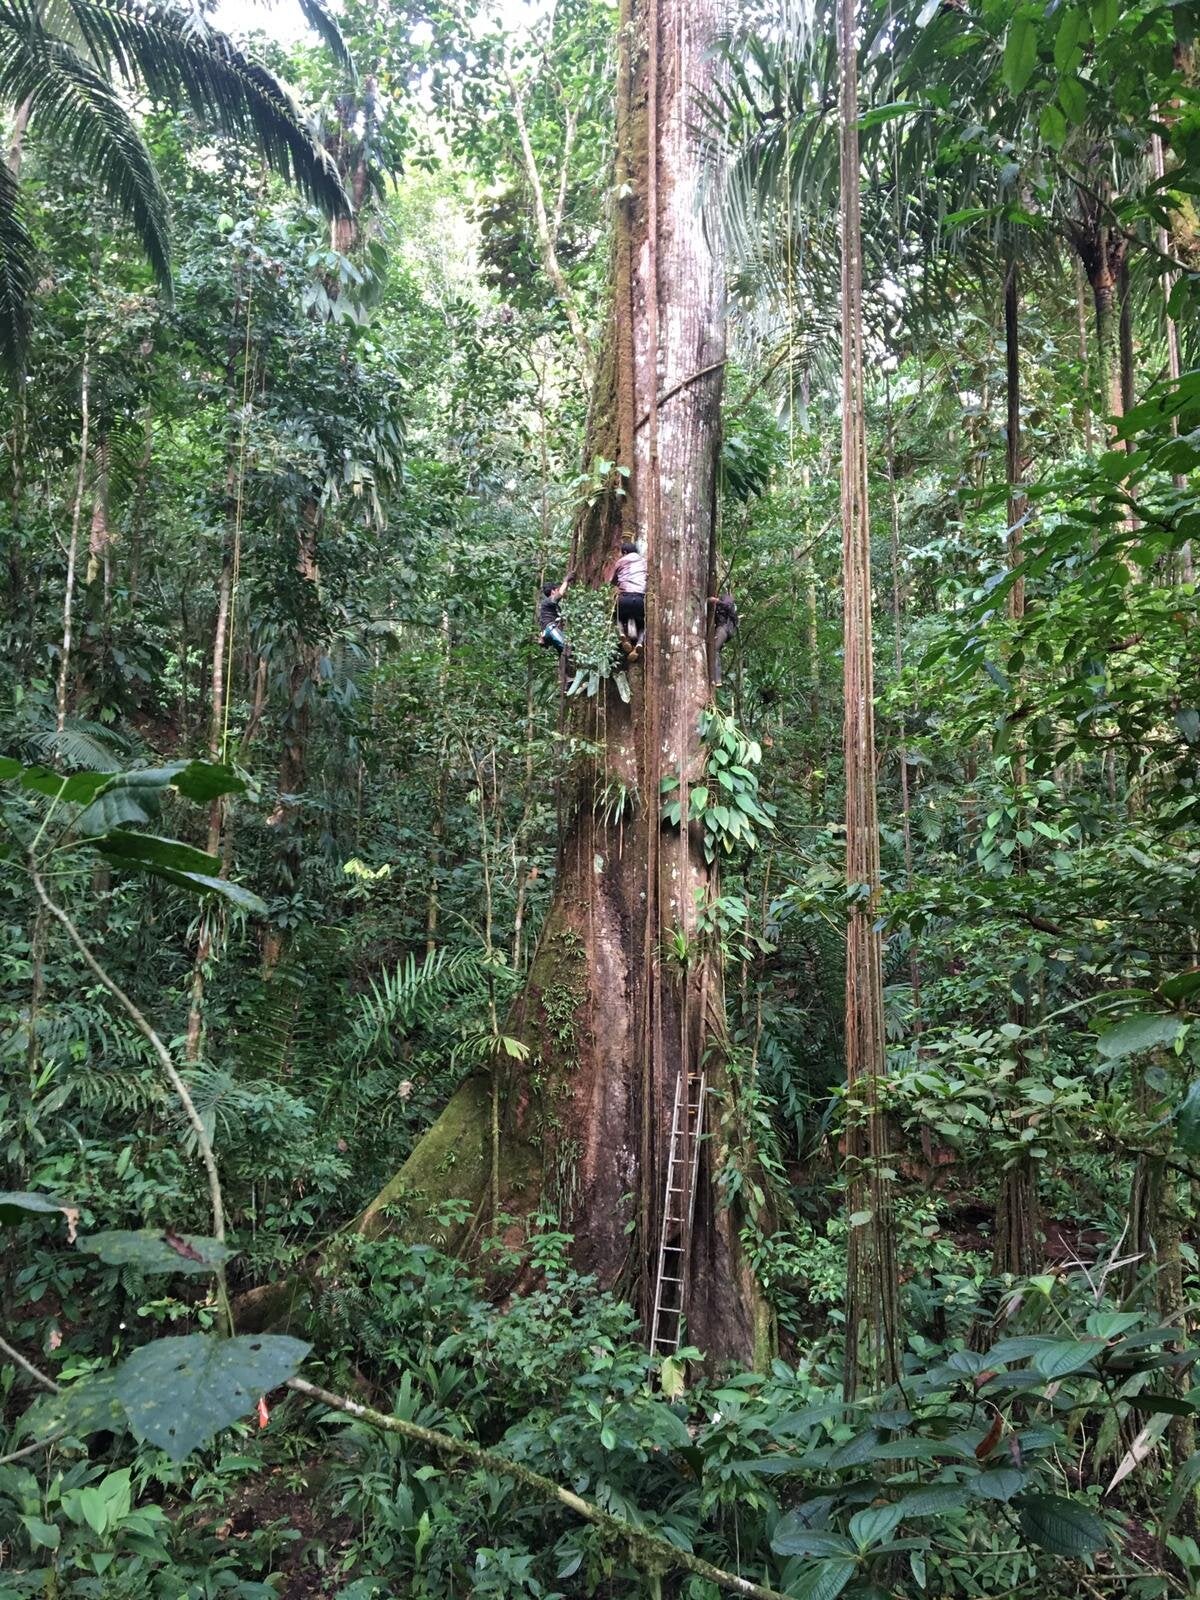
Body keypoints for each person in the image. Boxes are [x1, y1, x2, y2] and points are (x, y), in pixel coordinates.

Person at [613, 541, 646, 648]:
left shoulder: (621, 561)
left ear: (625, 552)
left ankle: (622, 633)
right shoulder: (644, 561)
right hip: (640, 599)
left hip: (624, 598)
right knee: (644, 624)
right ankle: (640, 643)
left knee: (617, 616)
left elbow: (613, 580)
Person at [710, 592, 738, 685]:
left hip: (723, 629)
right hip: (724, 631)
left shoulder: (729, 605)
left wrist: (716, 601)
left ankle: (717, 679)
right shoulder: (723, 611)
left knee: (714, 650)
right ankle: (712, 678)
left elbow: (727, 606)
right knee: (713, 650)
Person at [538, 578, 568, 655]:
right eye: (557, 590)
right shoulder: (548, 601)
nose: (558, 591)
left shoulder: (548, 605)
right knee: (567, 648)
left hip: (548, 632)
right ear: (553, 591)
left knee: (564, 653)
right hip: (551, 629)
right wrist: (566, 580)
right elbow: (560, 595)